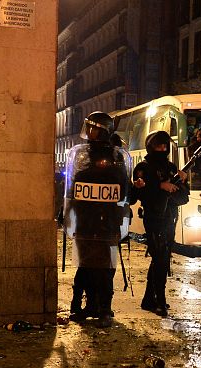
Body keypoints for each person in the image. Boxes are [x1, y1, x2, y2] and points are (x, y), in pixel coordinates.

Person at [61, 111, 130, 327]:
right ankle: (85, 306)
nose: (89, 133)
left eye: (93, 129)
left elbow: (124, 192)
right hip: (85, 221)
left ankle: (104, 309)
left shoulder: (117, 158)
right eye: (88, 128)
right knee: (85, 265)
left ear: (103, 131)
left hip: (107, 222)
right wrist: (66, 214)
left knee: (105, 268)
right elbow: (72, 190)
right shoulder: (80, 156)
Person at [130, 130, 188, 317]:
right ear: (151, 146)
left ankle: (149, 299)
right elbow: (137, 195)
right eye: (158, 146)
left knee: (161, 259)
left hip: (170, 218)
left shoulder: (171, 167)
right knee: (160, 258)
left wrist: (181, 183)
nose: (162, 149)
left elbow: (182, 198)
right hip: (153, 218)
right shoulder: (143, 167)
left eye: (165, 146)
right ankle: (160, 301)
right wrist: (159, 186)